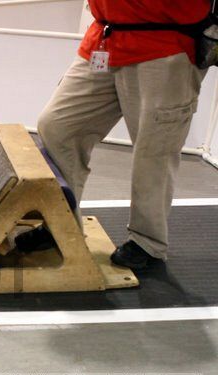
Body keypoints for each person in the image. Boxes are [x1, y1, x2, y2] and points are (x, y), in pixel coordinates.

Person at [18, 1, 211, 269]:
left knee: (154, 150)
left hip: (165, 45)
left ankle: (148, 243)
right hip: (105, 39)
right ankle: (60, 223)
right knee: (58, 127)